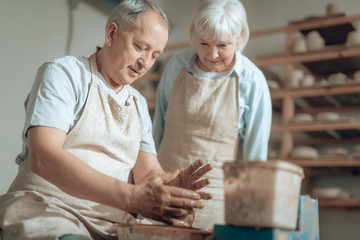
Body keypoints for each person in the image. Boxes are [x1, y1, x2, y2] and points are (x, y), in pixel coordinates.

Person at [0, 0, 213, 239]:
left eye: (154, 55)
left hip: (112, 223)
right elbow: (43, 157)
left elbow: (147, 173)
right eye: (140, 47)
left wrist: (169, 189)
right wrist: (131, 197)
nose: (145, 63)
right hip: (48, 210)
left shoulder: (138, 104)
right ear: (112, 33)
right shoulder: (64, 74)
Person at [152, 0, 272, 230]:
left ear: (240, 36)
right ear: (193, 34)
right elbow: (157, 131)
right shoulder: (176, 66)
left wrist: (249, 213)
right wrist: (148, 183)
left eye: (223, 45)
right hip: (166, 189)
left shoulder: (252, 81)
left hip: (214, 200)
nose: (212, 54)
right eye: (204, 43)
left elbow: (254, 158)